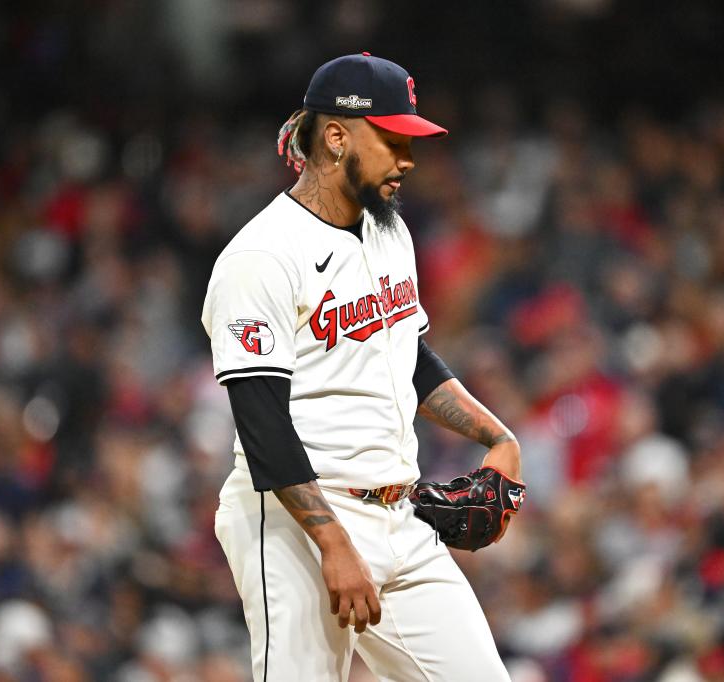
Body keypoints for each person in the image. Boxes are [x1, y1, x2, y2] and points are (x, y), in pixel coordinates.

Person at [201, 52, 523, 681]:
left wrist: (498, 437)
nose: (408, 159)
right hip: (294, 523)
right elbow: (261, 424)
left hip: (400, 515)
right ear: (337, 135)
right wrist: (332, 543)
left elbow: (410, 358)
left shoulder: (389, 232)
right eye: (393, 139)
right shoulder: (261, 256)